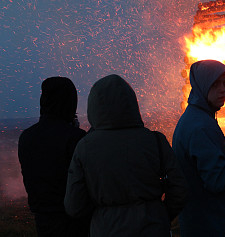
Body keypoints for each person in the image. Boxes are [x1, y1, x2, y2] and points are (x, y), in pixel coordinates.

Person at [64, 74, 187, 237]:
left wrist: (103, 214)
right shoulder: (155, 140)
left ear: (94, 106)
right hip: (153, 227)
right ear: (131, 103)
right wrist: (162, 214)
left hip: (107, 229)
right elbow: (179, 188)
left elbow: (74, 206)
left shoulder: (85, 147)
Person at [172, 60, 225, 237]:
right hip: (212, 226)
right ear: (202, 85)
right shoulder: (200, 126)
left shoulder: (198, 118)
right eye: (215, 83)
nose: (223, 89)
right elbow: (217, 180)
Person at [18, 76, 90, 237]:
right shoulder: (75, 138)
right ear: (70, 102)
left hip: (43, 220)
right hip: (74, 222)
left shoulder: (26, 136)